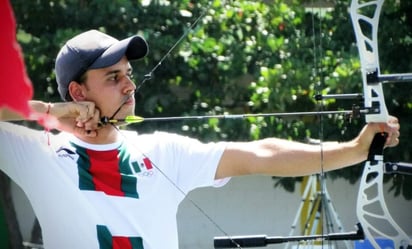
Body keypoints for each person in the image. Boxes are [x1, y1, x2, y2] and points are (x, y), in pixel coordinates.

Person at [0, 30, 400, 249]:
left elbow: (261, 154)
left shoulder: (162, 150)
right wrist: (50, 113)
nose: (129, 86)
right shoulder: (41, 153)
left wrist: (356, 149)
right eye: (112, 77)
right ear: (77, 93)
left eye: (128, 74)